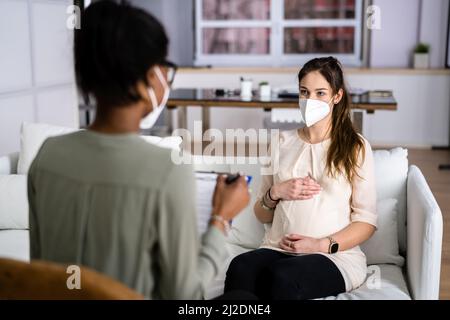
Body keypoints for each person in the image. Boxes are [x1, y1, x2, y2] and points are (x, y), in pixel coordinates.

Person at [27, 0, 249, 299]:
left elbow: (41, 271)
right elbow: (184, 296)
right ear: (149, 75)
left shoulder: (46, 156)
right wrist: (221, 218)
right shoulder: (167, 169)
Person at [224, 57, 378, 300]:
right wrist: (275, 193)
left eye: (320, 93)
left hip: (333, 256)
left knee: (282, 277)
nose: (310, 101)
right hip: (277, 249)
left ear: (336, 97)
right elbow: (261, 213)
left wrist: (320, 245)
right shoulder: (280, 142)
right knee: (240, 267)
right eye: (304, 92)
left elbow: (367, 222)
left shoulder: (356, 147)